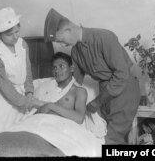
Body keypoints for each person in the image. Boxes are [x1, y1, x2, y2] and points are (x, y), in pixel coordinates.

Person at [43, 8, 141, 145]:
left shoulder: (104, 37)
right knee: (95, 136)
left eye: (61, 40)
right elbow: (74, 82)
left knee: (111, 140)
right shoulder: (75, 52)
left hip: (124, 92)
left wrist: (98, 102)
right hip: (105, 95)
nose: (62, 45)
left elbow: (122, 74)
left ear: (68, 29)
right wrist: (55, 100)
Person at [0, 7, 46, 139]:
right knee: (0, 137)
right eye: (10, 35)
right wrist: (31, 102)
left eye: (17, 31)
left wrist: (30, 93)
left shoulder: (22, 44)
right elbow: (6, 88)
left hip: (24, 96)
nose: (15, 36)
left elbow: (28, 73)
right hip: (3, 97)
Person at [35, 52, 88, 124]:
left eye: (61, 66)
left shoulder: (79, 91)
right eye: (54, 68)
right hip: (38, 123)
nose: (57, 71)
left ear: (71, 69)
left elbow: (79, 118)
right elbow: (34, 109)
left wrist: (50, 106)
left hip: (60, 128)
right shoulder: (46, 86)